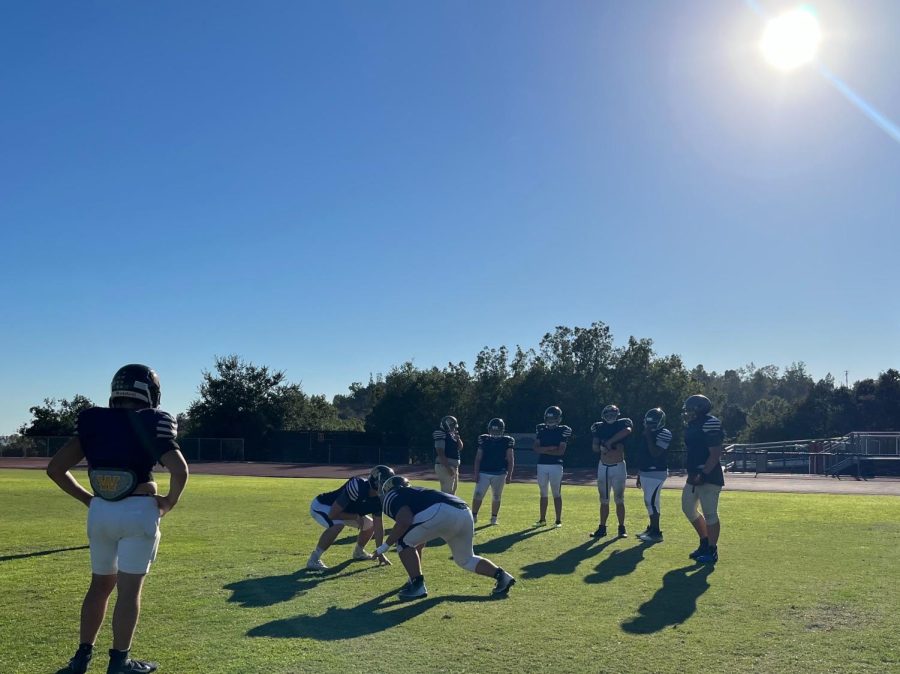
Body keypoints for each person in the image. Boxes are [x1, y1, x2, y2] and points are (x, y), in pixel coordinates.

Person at [47, 364, 189, 674]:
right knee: (129, 591)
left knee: (98, 587)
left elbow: (56, 469)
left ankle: (81, 659)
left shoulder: (93, 422)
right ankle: (119, 661)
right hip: (138, 510)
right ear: (149, 393)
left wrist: (89, 499)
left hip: (101, 513)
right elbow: (180, 470)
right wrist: (167, 503)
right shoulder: (153, 422)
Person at [375, 475, 515, 599]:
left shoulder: (393, 495)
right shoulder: (418, 493)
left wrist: (385, 545)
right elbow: (418, 538)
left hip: (440, 511)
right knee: (466, 560)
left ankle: (417, 586)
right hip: (463, 511)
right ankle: (502, 576)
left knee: (402, 541)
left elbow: (404, 521)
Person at [306, 465, 395, 570]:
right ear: (374, 481)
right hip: (323, 506)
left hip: (345, 512)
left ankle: (359, 552)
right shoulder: (358, 486)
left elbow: (378, 526)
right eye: (382, 483)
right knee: (337, 525)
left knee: (370, 525)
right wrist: (355, 517)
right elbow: (333, 514)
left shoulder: (379, 499)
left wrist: (380, 552)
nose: (384, 487)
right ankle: (314, 559)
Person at [681, 394, 725, 564]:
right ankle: (704, 542)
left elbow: (715, 453)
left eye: (690, 410)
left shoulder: (710, 422)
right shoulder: (693, 425)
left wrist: (704, 473)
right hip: (694, 475)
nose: (687, 413)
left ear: (699, 409)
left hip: (709, 475)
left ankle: (712, 550)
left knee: (710, 513)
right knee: (688, 508)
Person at [589, 404, 633, 538]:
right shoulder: (598, 427)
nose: (610, 417)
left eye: (612, 414)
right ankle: (602, 527)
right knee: (604, 500)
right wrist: (600, 448)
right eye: (607, 415)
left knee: (619, 499)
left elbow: (627, 430)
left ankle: (621, 527)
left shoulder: (623, 423)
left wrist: (609, 442)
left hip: (618, 466)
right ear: (603, 416)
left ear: (617, 414)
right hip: (603, 466)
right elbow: (595, 447)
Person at [635, 408, 673, 543]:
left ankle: (656, 533)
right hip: (646, 472)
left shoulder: (664, 433)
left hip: (656, 472)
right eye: (649, 422)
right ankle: (651, 528)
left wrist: (649, 436)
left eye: (653, 423)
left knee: (651, 502)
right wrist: (639, 474)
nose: (650, 425)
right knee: (650, 502)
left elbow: (655, 453)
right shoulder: (648, 433)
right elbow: (644, 455)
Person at [533, 406, 571, 528]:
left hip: (556, 465)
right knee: (543, 492)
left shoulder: (563, 430)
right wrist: (550, 448)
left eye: (553, 418)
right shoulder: (541, 428)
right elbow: (536, 448)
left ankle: (558, 520)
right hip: (542, 464)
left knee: (556, 492)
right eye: (549, 418)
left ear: (559, 419)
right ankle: (542, 519)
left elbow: (561, 452)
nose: (550, 421)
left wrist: (543, 450)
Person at [471, 418, 515, 525]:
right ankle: (474, 515)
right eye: (493, 430)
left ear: (502, 430)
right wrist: (476, 473)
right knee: (478, 494)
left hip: (499, 472)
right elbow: (478, 458)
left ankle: (494, 518)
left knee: (496, 496)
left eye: (497, 430)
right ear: (489, 429)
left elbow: (510, 459)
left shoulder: (507, 441)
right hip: (484, 472)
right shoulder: (484, 439)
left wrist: (509, 475)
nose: (495, 432)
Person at [433, 415, 463, 494]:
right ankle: (443, 506)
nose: (454, 428)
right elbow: (440, 452)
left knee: (452, 492)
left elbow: (460, 448)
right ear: (446, 425)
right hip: (445, 466)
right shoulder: (441, 433)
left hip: (453, 466)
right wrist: (448, 467)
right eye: (452, 426)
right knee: (447, 493)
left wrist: (458, 439)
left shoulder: (452, 434)